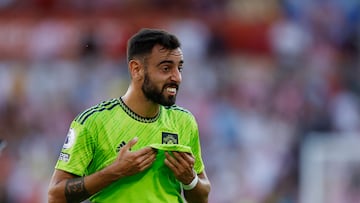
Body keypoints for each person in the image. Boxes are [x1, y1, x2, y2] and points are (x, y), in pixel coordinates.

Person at [48, 28, 211, 203]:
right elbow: (55, 196)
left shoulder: (184, 121)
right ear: (136, 69)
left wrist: (190, 180)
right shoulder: (93, 122)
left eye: (179, 68)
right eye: (166, 68)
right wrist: (115, 171)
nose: (177, 77)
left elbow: (202, 196)